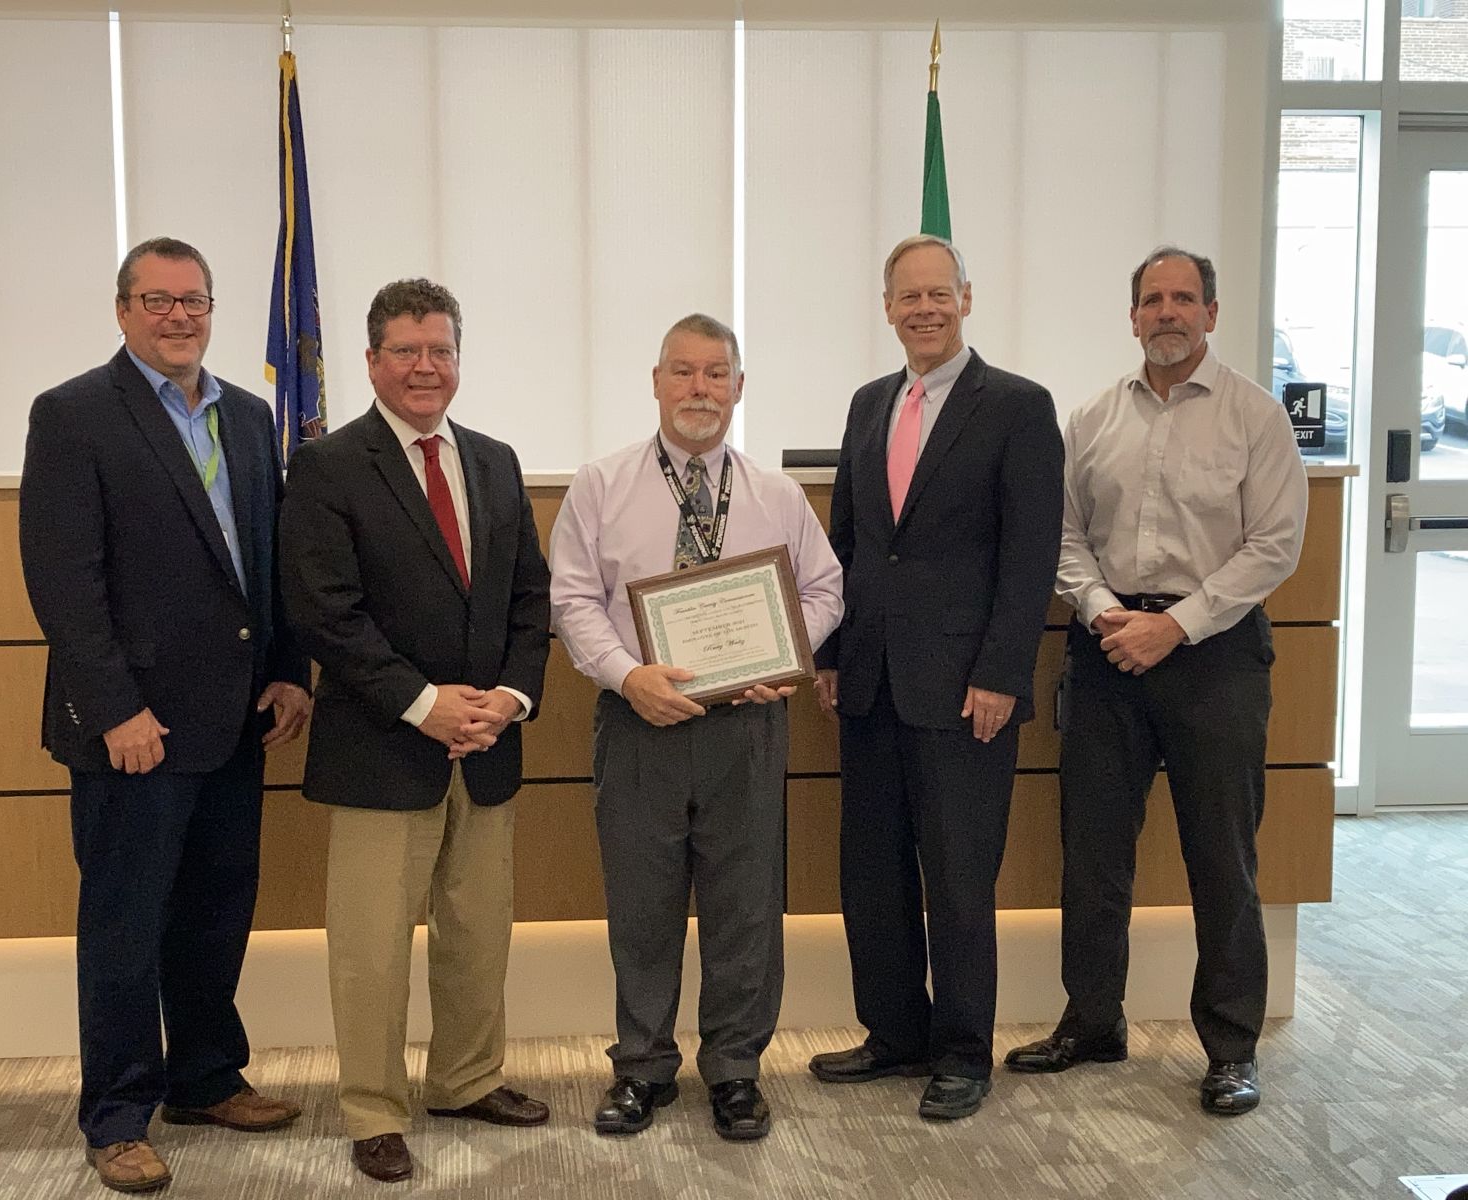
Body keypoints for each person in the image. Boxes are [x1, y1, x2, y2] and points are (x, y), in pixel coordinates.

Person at [18, 236, 312, 1194]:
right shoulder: (72, 416)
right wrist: (114, 709)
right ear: (122, 310)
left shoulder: (252, 415)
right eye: (158, 300)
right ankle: (116, 1116)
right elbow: (65, 582)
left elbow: (263, 565)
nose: (179, 316)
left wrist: (287, 670)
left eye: (195, 301)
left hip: (234, 721)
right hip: (133, 732)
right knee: (123, 927)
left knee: (215, 911)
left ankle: (205, 1078)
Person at [1005, 246, 1306, 1117]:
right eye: (1152, 300)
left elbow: (1273, 545)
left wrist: (1176, 625)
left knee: (1223, 858)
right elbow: (1062, 537)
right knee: (1093, 853)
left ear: (1212, 312)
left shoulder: (1255, 416)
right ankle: (1093, 1020)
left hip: (1214, 653)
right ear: (1131, 316)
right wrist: (1106, 615)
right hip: (1108, 651)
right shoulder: (1094, 418)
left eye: (1184, 298)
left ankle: (1230, 1047)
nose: (1167, 312)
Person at [278, 278, 552, 1183]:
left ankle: (468, 1079)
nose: (425, 367)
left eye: (440, 350)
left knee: (479, 933)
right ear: (370, 362)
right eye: (406, 350)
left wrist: (509, 698)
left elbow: (526, 596)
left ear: (459, 361)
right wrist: (423, 702)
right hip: (382, 749)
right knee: (371, 951)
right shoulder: (326, 467)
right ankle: (372, 1109)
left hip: (485, 745)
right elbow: (326, 612)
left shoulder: (496, 461)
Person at [549, 313, 843, 1142]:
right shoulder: (600, 485)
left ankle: (736, 1071)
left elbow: (827, 590)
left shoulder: (776, 495)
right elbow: (571, 600)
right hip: (638, 722)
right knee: (641, 904)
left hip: (745, 729)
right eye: (683, 372)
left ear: (740, 388)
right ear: (655, 381)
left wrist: (786, 658)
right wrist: (627, 675)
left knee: (745, 904)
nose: (699, 390)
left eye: (717, 374)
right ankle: (642, 1068)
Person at [808, 235, 1064, 1121]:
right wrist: (832, 653)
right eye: (907, 295)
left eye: (938, 293)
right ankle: (893, 1035)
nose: (924, 308)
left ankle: (962, 1052)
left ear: (966, 297)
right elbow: (846, 542)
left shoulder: (1019, 407)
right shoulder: (869, 403)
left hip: (965, 692)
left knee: (958, 878)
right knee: (871, 873)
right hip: (871, 682)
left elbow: (1030, 559)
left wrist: (1001, 674)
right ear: (886, 307)